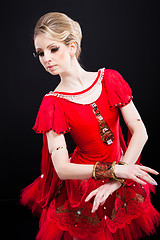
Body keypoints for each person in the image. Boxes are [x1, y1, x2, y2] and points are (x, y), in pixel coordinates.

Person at [21, 12, 160, 240]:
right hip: (84, 186)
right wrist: (115, 170)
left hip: (123, 173)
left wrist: (118, 179)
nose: (46, 58)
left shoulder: (109, 79)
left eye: (53, 49)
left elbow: (140, 131)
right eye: (40, 53)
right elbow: (62, 168)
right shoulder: (52, 103)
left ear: (72, 46)